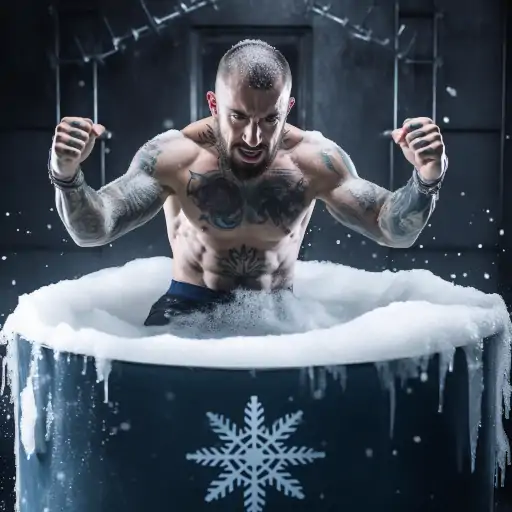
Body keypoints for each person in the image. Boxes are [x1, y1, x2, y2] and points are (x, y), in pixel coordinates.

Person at [48, 39, 448, 326]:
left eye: (269, 120)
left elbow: (390, 229)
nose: (253, 138)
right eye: (237, 117)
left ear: (287, 108)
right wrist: (66, 175)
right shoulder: (174, 155)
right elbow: (96, 229)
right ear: (214, 104)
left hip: (277, 314)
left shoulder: (315, 159)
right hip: (184, 312)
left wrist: (426, 178)